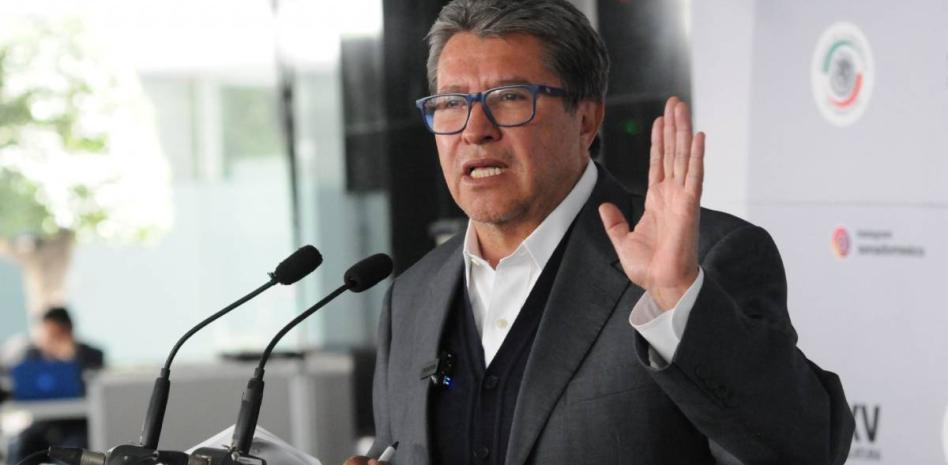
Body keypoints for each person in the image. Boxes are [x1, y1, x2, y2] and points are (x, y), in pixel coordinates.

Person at [347, 1, 854, 464]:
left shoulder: (702, 259)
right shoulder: (411, 299)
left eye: (509, 97)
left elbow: (806, 450)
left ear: (586, 118)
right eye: (451, 103)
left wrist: (679, 300)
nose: (475, 129)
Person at [5, 307, 104, 464]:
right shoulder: (32, 355)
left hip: (76, 425)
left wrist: (71, 357)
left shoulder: (91, 354)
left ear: (68, 331)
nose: (49, 340)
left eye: (56, 335)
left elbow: (95, 384)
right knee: (19, 446)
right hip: (43, 424)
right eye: (46, 334)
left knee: (72, 452)